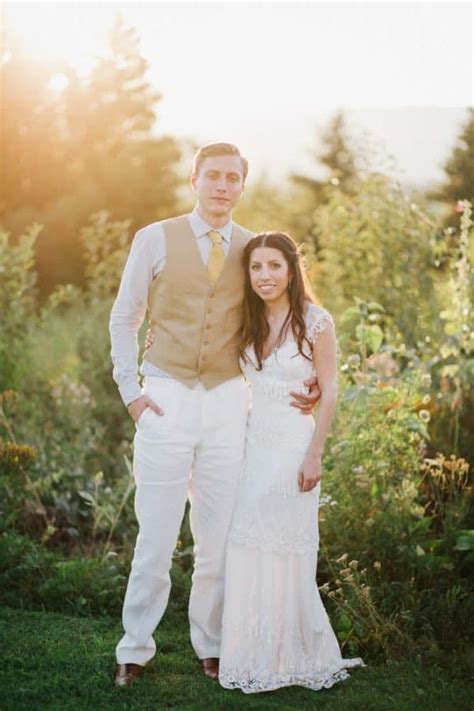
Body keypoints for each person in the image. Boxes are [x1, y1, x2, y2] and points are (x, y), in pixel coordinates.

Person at [109, 143, 319, 687]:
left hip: (229, 402)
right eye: (213, 176)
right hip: (165, 397)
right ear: (195, 179)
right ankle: (134, 648)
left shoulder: (255, 249)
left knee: (218, 538)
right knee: (154, 536)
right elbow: (125, 316)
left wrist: (309, 375)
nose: (222, 186)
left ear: (241, 186)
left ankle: (213, 644)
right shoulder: (154, 238)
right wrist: (131, 391)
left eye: (232, 178)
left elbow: (284, 318)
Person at [218, 231, 365, 693]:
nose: (264, 276)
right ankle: (252, 652)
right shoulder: (246, 320)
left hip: (293, 449)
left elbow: (331, 387)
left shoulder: (315, 321)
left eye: (274, 266)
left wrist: (314, 454)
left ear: (291, 269)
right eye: (256, 267)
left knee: (286, 548)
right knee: (246, 544)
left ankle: (292, 654)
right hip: (251, 447)